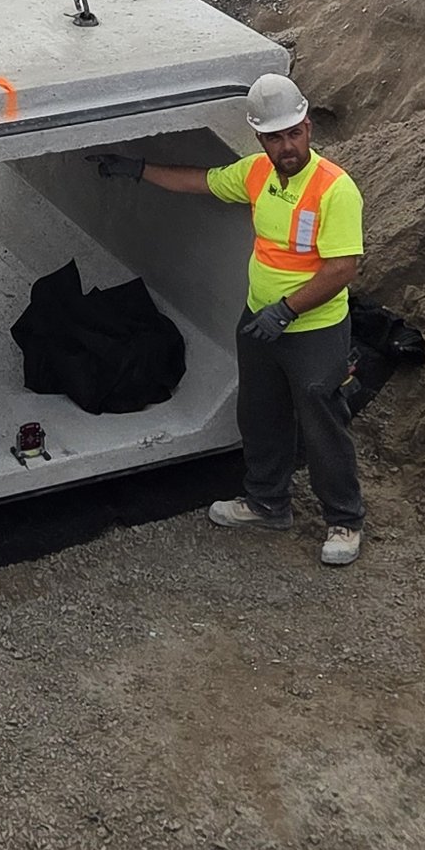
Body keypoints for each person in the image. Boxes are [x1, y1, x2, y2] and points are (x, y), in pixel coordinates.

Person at [97, 71, 366, 566]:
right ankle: (267, 502)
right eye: (275, 137)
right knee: (260, 412)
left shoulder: (335, 190)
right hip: (260, 319)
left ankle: (344, 520)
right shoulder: (257, 174)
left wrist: (287, 311)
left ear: (308, 127)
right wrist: (137, 169)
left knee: (321, 419)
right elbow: (199, 181)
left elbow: (342, 268)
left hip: (312, 328)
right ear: (259, 137)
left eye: (295, 132)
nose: (288, 145)